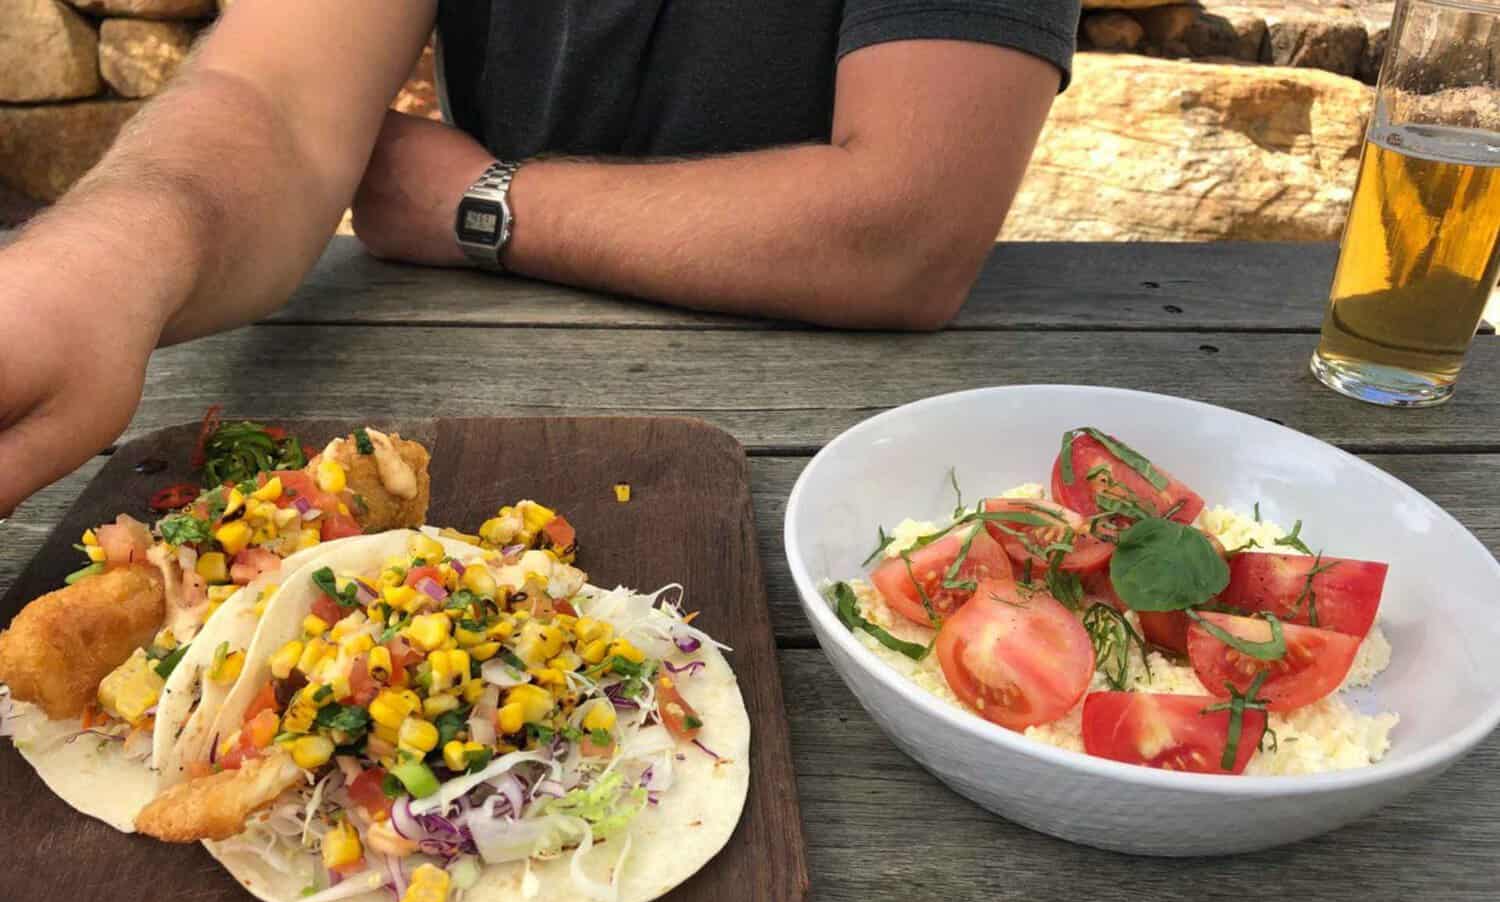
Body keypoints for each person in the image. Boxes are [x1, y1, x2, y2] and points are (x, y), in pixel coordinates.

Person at [0, 0, 1079, 516]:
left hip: (867, 488)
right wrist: (101, 260)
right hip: (461, 453)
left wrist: (479, 205)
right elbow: (271, 99)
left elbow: (906, 228)